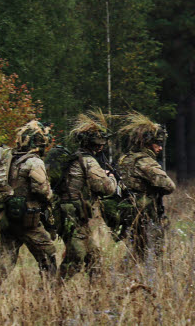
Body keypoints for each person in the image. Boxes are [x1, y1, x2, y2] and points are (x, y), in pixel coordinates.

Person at [0, 120, 57, 280]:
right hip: (27, 220)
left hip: (6, 218)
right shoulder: (34, 162)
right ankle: (49, 294)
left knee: (5, 259)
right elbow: (42, 191)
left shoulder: (9, 159)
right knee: (48, 254)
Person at [57, 110, 118, 279]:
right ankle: (52, 291)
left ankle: (97, 296)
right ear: (98, 145)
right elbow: (106, 188)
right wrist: (112, 178)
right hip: (75, 216)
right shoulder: (88, 161)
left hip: (71, 213)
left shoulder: (74, 158)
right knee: (76, 258)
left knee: (94, 256)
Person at [115, 112, 175, 260]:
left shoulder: (125, 159)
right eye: (157, 144)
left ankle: (131, 274)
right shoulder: (145, 161)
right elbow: (169, 186)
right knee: (155, 251)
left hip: (129, 211)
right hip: (145, 211)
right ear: (147, 143)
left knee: (137, 249)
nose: (160, 148)